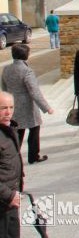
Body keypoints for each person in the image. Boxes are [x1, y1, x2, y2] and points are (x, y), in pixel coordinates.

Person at [1, 45, 53, 164]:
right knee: (34, 130)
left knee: (17, 132)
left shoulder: (6, 69)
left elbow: (4, 88)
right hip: (28, 106)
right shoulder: (26, 71)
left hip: (14, 105)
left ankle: (12, 157)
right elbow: (34, 91)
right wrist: (47, 107)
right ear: (25, 55)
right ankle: (33, 156)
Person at [0, 92, 22, 237]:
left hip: (10, 202)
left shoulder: (9, 129)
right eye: (3, 108)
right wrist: (9, 195)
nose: (8, 112)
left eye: (11, 107)